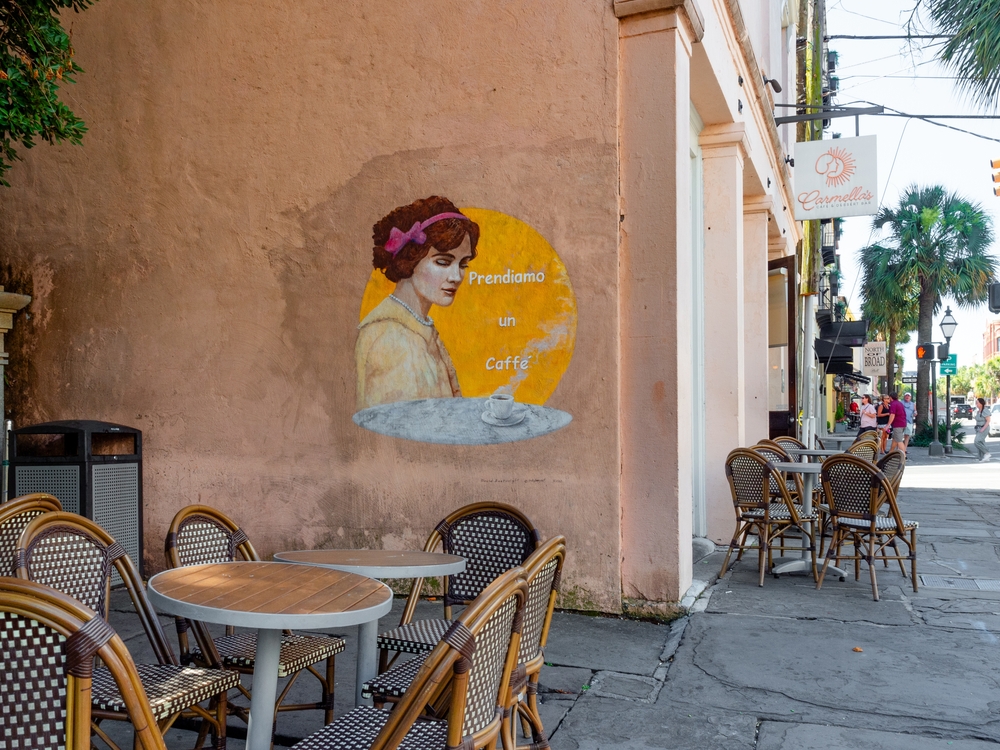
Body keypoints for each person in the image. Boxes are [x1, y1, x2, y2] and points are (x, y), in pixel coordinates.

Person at [355, 196, 480, 409]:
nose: (457, 276)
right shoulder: (390, 340)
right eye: (443, 262)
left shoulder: (418, 328)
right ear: (410, 259)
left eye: (463, 265)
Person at [974, 397, 992, 462]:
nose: (976, 404)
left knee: (977, 441)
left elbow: (988, 421)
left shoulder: (985, 410)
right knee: (981, 442)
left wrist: (983, 428)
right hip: (978, 428)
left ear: (981, 403)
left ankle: (987, 453)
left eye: (977, 403)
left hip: (984, 428)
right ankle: (981, 457)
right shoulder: (978, 411)